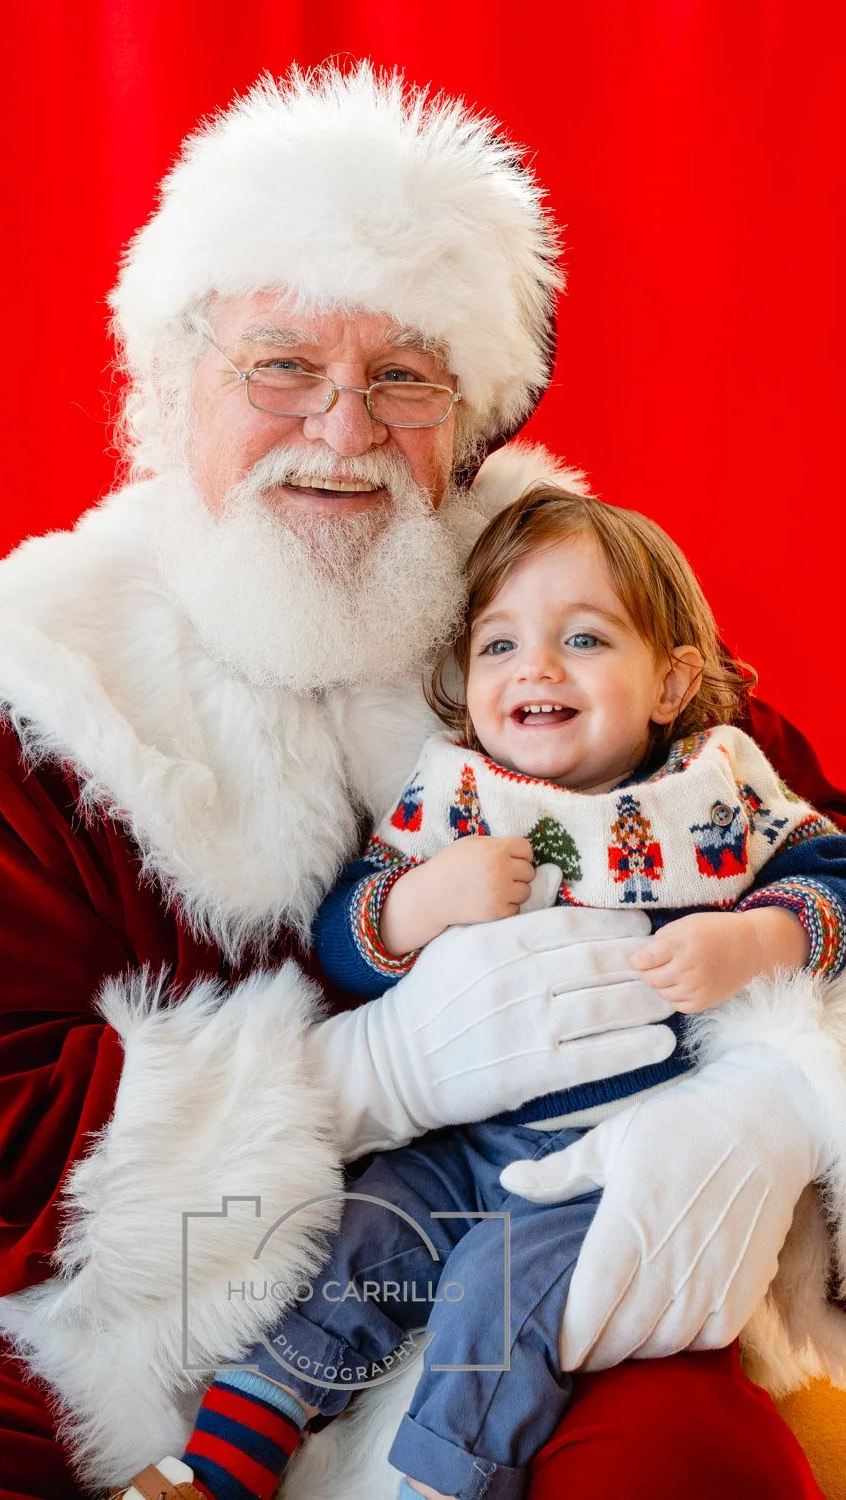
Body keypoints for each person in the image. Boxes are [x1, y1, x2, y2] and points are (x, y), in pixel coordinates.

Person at [0, 63, 843, 1500]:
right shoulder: (18, 706)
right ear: (168, 385)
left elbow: (812, 860)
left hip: (528, 1272)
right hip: (92, 1321)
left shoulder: (579, 621)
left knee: (689, 1475)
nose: (343, 428)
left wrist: (771, 1114)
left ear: (470, 417)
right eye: (281, 366)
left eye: (403, 377)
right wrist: (365, 1081)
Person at [174, 483, 846, 1500]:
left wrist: (758, 938)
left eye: (583, 639)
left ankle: (443, 1481)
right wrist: (416, 905)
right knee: (359, 1238)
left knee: (505, 1301)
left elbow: (834, 874)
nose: (534, 667)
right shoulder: (455, 794)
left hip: (614, 1161)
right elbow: (341, 937)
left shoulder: (719, 785)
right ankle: (221, 1459)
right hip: (464, 1134)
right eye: (499, 645)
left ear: (671, 682)